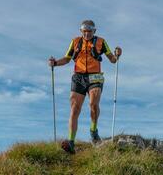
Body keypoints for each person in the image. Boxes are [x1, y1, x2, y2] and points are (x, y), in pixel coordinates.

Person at [48, 20, 122, 154]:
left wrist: (117, 55)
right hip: (78, 77)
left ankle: (93, 131)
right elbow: (67, 58)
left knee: (93, 104)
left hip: (95, 76)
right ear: (81, 32)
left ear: (94, 31)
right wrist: (55, 63)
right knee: (75, 108)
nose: (87, 34)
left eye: (89, 31)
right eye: (84, 31)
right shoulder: (75, 42)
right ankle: (71, 143)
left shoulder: (101, 42)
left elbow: (112, 59)